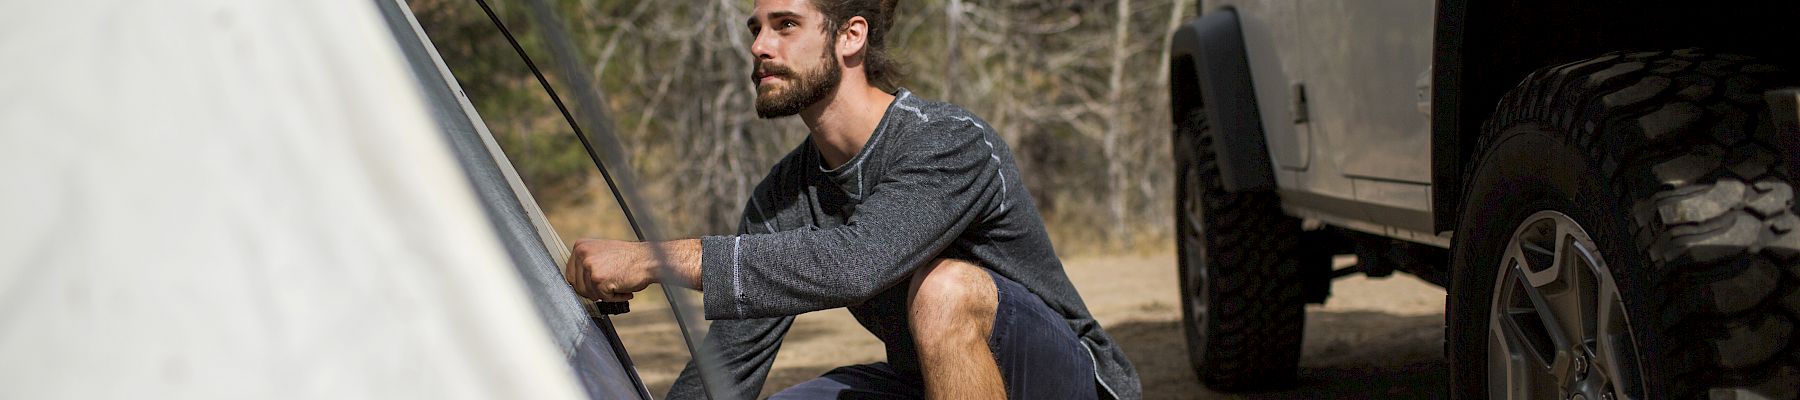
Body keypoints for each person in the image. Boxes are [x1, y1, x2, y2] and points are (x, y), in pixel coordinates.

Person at [562, 0, 1140, 398]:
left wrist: (652, 258)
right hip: (923, 384)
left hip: (1063, 381)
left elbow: (856, 263)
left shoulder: (947, 141)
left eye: (785, 25)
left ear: (851, 35)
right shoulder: (782, 196)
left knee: (946, 288)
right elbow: (730, 369)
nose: (760, 46)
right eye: (755, 29)